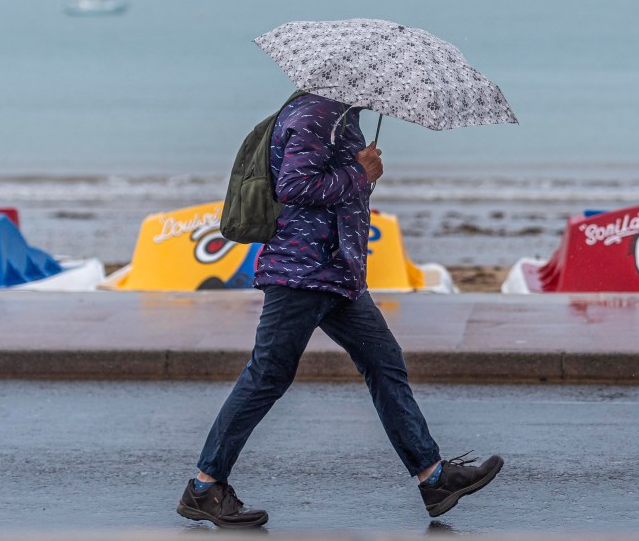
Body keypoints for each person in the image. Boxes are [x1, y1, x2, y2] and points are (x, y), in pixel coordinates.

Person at [177, 93, 503, 528]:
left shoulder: (339, 118)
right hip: (303, 272)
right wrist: (359, 172)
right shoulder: (316, 115)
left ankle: (434, 478)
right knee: (267, 376)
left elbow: (334, 190)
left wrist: (362, 176)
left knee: (385, 364)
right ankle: (204, 487)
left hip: (335, 272)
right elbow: (293, 186)